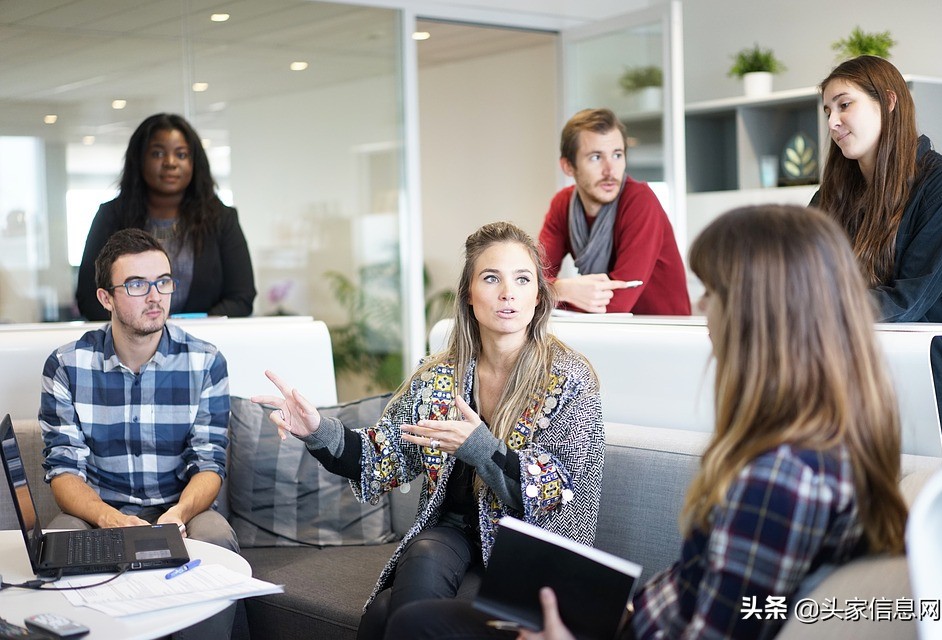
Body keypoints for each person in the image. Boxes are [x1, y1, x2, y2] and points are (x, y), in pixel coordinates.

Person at [385, 205, 908, 640]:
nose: (702, 308)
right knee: (411, 617)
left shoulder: (780, 477)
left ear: (759, 313)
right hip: (633, 619)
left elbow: (723, 626)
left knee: (417, 626)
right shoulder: (818, 443)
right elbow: (718, 596)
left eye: (714, 292)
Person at [252, 221, 605, 639]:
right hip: (453, 533)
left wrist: (479, 447)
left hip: (530, 549)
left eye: (522, 279)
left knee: (386, 613)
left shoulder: (569, 379)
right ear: (469, 295)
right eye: (491, 278)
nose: (508, 292)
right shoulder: (439, 376)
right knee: (421, 556)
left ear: (538, 297)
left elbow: (560, 495)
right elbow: (379, 456)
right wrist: (315, 430)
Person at [41, 229, 238, 554]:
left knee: (216, 537)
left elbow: (209, 463)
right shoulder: (67, 365)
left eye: (163, 282)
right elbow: (63, 469)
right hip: (98, 512)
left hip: (181, 510)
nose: (155, 296)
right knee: (58, 540)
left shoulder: (206, 362)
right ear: (106, 298)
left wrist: (178, 514)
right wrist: (109, 518)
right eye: (136, 284)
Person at [812, 55, 942, 452]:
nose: (832, 122)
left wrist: (808, 310)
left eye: (845, 104)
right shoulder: (830, 197)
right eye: (828, 110)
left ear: (889, 102)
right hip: (848, 374)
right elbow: (800, 276)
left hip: (928, 385)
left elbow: (907, 300)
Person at [76, 113, 256, 321]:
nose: (170, 163)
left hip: (203, 344)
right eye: (157, 154)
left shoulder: (222, 219)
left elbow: (241, 298)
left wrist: (187, 330)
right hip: (130, 347)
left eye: (181, 155)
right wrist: (142, 328)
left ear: (194, 163)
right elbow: (89, 298)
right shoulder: (111, 217)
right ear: (139, 159)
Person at [537, 108, 690, 315]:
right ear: (568, 166)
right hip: (607, 333)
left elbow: (617, 304)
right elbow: (531, 280)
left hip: (662, 335)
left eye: (617, 155)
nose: (610, 170)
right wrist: (562, 289)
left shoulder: (640, 201)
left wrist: (551, 293)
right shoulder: (562, 204)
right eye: (595, 157)